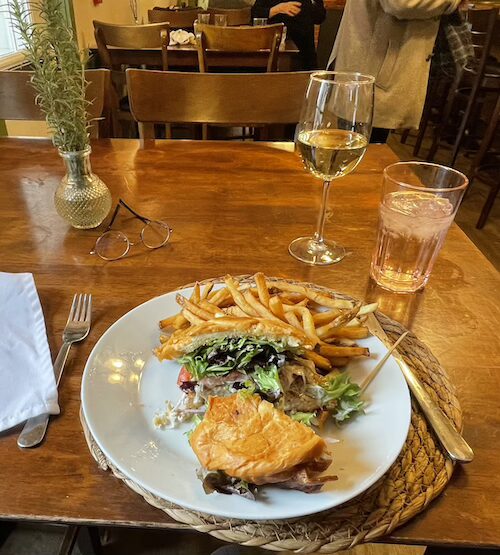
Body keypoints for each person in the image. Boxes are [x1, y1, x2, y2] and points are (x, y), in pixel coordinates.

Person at [328, 0, 465, 143]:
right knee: (360, 147)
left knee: (363, 145)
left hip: (374, 68)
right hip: (373, 71)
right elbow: (401, 3)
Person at [251, 0, 326, 70]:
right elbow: (255, 14)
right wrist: (278, 9)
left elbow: (320, 17)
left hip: (304, 49)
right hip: (274, 50)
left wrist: (312, 4)